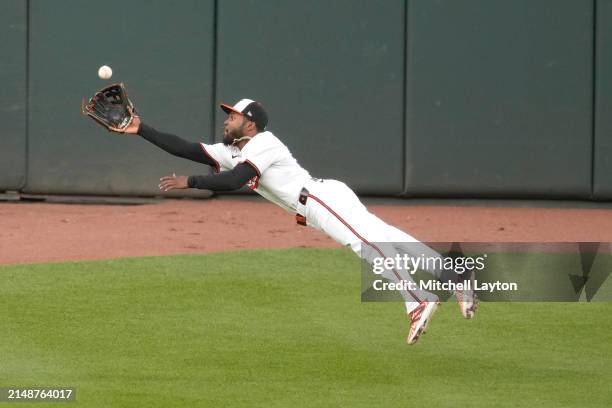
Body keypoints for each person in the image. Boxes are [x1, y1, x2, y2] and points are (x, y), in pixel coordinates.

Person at [117, 98, 477, 345]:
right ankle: (453, 273)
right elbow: (187, 148)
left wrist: (191, 182)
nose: (226, 119)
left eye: (232, 115)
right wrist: (140, 128)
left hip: (320, 199)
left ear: (250, 122)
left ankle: (417, 299)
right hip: (321, 201)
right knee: (383, 238)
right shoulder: (235, 150)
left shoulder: (264, 143)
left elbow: (233, 181)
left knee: (369, 245)